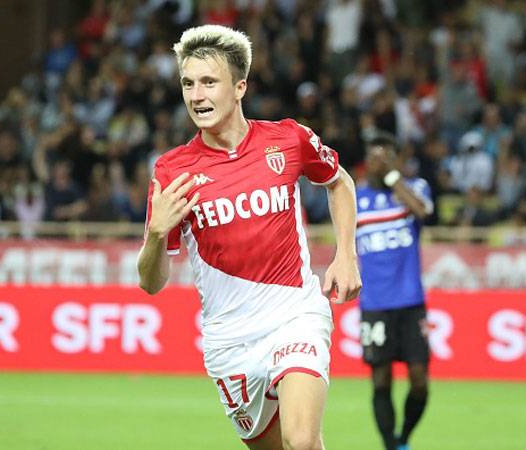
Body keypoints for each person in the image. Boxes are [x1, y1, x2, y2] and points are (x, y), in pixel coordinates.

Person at [137, 25, 361, 450]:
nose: (196, 95)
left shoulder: (288, 139)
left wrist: (345, 256)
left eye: (209, 82)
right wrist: (157, 235)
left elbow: (340, 182)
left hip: (295, 313)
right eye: (188, 83)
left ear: (239, 87)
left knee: (300, 440)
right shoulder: (171, 171)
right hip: (229, 339)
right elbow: (151, 282)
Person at [355, 134, 432, 450]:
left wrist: (392, 176)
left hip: (411, 302)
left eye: (385, 157)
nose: (378, 162)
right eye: (373, 157)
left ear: (396, 161)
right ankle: (390, 445)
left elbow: (423, 211)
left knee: (420, 381)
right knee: (381, 380)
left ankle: (404, 438)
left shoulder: (415, 189)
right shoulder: (355, 199)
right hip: (375, 304)